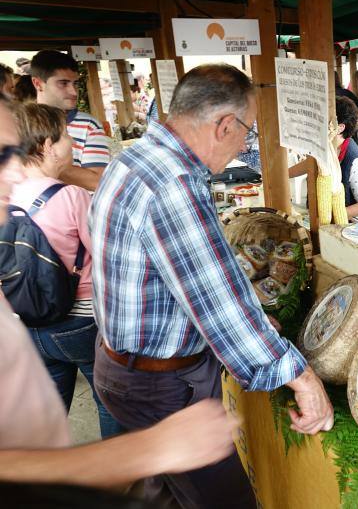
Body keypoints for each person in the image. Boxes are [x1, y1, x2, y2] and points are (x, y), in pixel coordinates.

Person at [90, 64, 333, 509]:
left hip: (122, 368)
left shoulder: (136, 158)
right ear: (224, 125)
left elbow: (173, 281)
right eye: (247, 132)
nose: (245, 144)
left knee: (167, 492)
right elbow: (219, 306)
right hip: (159, 387)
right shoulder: (174, 184)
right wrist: (303, 377)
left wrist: (257, 317)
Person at [0, 97, 250, 493]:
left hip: (42, 326)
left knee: (58, 413)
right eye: (1, 155)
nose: (14, 171)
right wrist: (145, 451)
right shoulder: (72, 195)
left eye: (12, 151)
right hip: (83, 329)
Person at [10, 103, 122, 439]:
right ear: (46, 145)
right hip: (79, 322)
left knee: (49, 411)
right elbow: (106, 254)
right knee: (109, 403)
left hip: (28, 322)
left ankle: (38, 481)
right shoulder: (71, 196)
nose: (71, 146)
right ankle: (117, 483)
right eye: (65, 138)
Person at [30, 50, 109, 191]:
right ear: (38, 84)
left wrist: (35, 161)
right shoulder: (16, 123)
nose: (73, 92)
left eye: (75, 83)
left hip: (76, 209)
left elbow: (98, 182)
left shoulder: (89, 125)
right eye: (63, 83)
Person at [290, 96, 358, 218]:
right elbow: (310, 163)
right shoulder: (325, 148)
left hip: (345, 224)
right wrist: (283, 174)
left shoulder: (356, 160)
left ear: (340, 128)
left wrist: (332, 216)